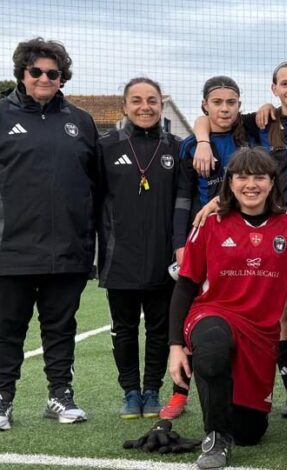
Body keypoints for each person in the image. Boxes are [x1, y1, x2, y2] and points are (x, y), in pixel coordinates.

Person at [192, 61, 287, 420]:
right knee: (282, 312)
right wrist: (203, 143)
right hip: (274, 226)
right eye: (284, 83)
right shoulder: (260, 121)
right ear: (273, 88)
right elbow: (207, 119)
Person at [168, 147, 287, 470]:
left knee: (249, 433)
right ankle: (215, 437)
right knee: (212, 346)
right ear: (230, 182)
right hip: (213, 312)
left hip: (261, 334)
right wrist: (175, 346)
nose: (250, 185)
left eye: (259, 177)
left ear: (272, 182)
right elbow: (186, 284)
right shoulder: (211, 222)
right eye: (242, 177)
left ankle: (230, 410)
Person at [0, 37, 98, 430]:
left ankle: (60, 396)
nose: (44, 78)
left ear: (62, 78)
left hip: (68, 249)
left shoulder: (81, 122)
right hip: (11, 250)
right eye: (36, 71)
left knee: (61, 329)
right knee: (7, 330)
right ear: (22, 74)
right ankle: (3, 399)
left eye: (53, 73)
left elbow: (96, 184)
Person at [162, 75, 247, 420]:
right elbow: (183, 197)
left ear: (239, 106)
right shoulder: (190, 146)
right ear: (204, 105)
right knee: (192, 313)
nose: (224, 109)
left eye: (231, 103)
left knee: (237, 314)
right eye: (217, 103)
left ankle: (240, 388)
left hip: (243, 241)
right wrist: (180, 244)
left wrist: (221, 201)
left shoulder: (250, 135)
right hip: (204, 241)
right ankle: (179, 392)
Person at [96, 77, 179, 419]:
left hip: (163, 258)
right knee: (124, 329)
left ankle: (152, 390)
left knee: (160, 330)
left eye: (152, 101)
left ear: (161, 105)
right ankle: (130, 391)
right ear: (125, 106)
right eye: (137, 100)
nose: (145, 107)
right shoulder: (106, 146)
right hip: (120, 258)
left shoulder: (175, 148)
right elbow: (93, 199)